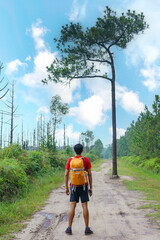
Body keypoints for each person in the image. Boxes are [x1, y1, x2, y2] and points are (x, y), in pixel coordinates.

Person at [64, 143, 93, 235]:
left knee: (72, 205)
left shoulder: (70, 160)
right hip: (84, 186)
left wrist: (66, 187)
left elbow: (66, 174)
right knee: (84, 205)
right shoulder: (86, 160)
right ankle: (86, 228)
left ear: (74, 150)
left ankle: (69, 228)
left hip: (73, 186)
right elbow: (89, 174)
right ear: (82, 150)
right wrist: (90, 187)